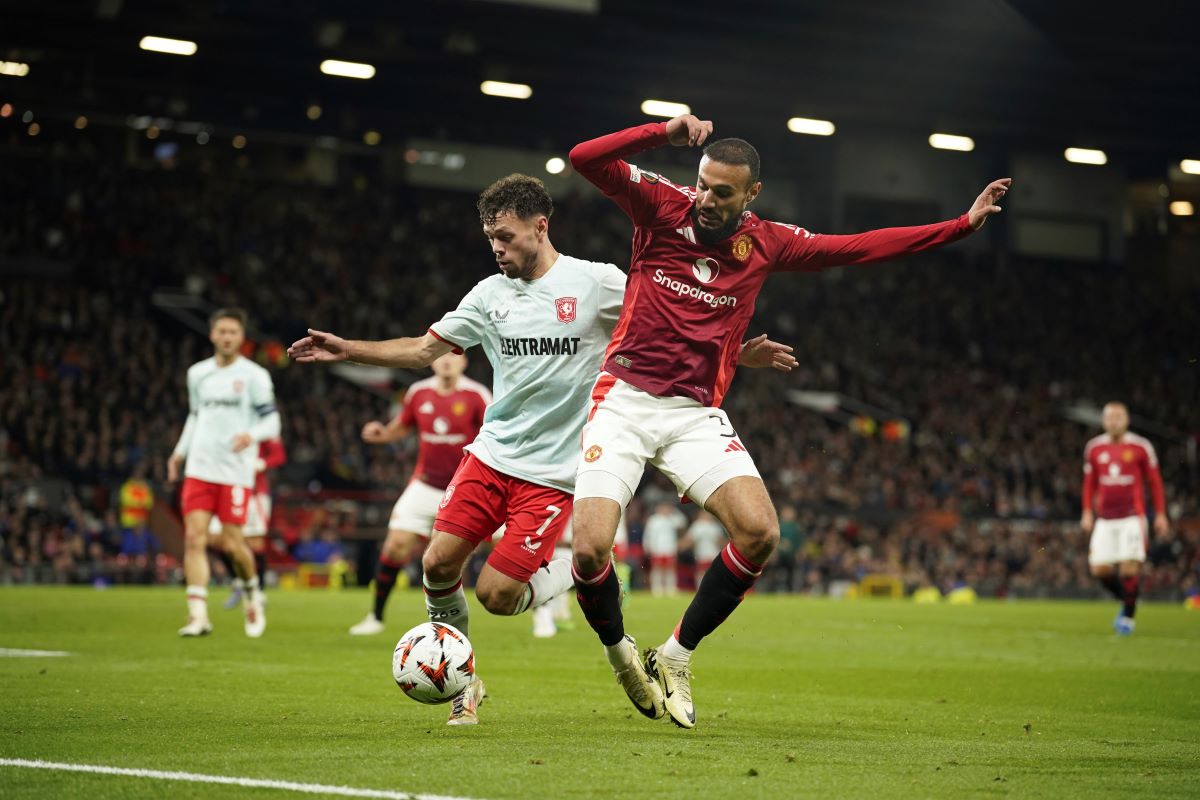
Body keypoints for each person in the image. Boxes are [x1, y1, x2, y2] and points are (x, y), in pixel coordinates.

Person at [288, 174, 793, 725]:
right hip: (491, 455)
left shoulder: (596, 283)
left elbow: (672, 326)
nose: (496, 249)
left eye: (504, 237)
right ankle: (464, 684)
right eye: (490, 240)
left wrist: (739, 355)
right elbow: (421, 351)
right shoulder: (488, 295)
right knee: (435, 563)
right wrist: (347, 349)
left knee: (498, 596)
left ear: (540, 227)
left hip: (553, 475)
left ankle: (584, 575)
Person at [567, 113, 1010, 728]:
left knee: (760, 534)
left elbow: (858, 248)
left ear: (751, 195)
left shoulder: (767, 242)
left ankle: (674, 655)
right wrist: (662, 131)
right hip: (624, 399)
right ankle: (621, 657)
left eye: (723, 192)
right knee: (589, 550)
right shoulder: (661, 209)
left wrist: (959, 226)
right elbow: (585, 155)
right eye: (702, 184)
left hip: (695, 412)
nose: (706, 199)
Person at [349, 353, 490, 635]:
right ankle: (376, 617)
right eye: (441, 355)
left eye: (455, 356)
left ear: (464, 363)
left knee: (504, 544)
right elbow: (402, 426)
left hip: (465, 486)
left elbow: (496, 431)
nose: (447, 361)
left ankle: (543, 613)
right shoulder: (418, 393)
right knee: (394, 546)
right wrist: (383, 434)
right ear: (432, 361)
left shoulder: (477, 395)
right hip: (425, 485)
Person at [169, 308, 280, 638]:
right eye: (222, 331)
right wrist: (179, 452)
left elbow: (273, 421)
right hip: (199, 468)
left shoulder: (255, 376)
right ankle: (198, 615)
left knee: (233, 545)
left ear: (241, 337)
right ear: (212, 335)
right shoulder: (197, 374)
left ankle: (251, 595)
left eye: (233, 331)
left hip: (234, 472)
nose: (227, 337)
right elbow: (194, 416)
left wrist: (252, 435)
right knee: (194, 539)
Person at [1081, 402, 1168, 635]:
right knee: (1099, 570)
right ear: (1103, 420)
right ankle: (1129, 600)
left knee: (1129, 569)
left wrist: (1160, 513)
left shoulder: (1140, 447)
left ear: (1127, 420)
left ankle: (1127, 619)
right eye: (1110, 417)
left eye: (1118, 417)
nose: (1114, 421)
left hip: (1132, 517)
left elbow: (1155, 482)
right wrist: (1087, 511)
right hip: (1105, 519)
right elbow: (1089, 484)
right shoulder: (1094, 448)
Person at [212, 437, 287, 610]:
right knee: (218, 539)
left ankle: (258, 591)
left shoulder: (262, 425)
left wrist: (261, 463)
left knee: (255, 543)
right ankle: (240, 582)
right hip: (227, 488)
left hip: (255, 492)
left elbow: (279, 455)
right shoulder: (226, 425)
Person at [644, 502, 687, 596]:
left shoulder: (671, 518)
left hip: (669, 548)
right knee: (657, 568)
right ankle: (657, 589)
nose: (664, 510)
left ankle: (670, 588)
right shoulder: (653, 520)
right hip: (657, 548)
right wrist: (647, 546)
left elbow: (683, 521)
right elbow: (647, 534)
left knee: (670, 569)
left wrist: (674, 510)